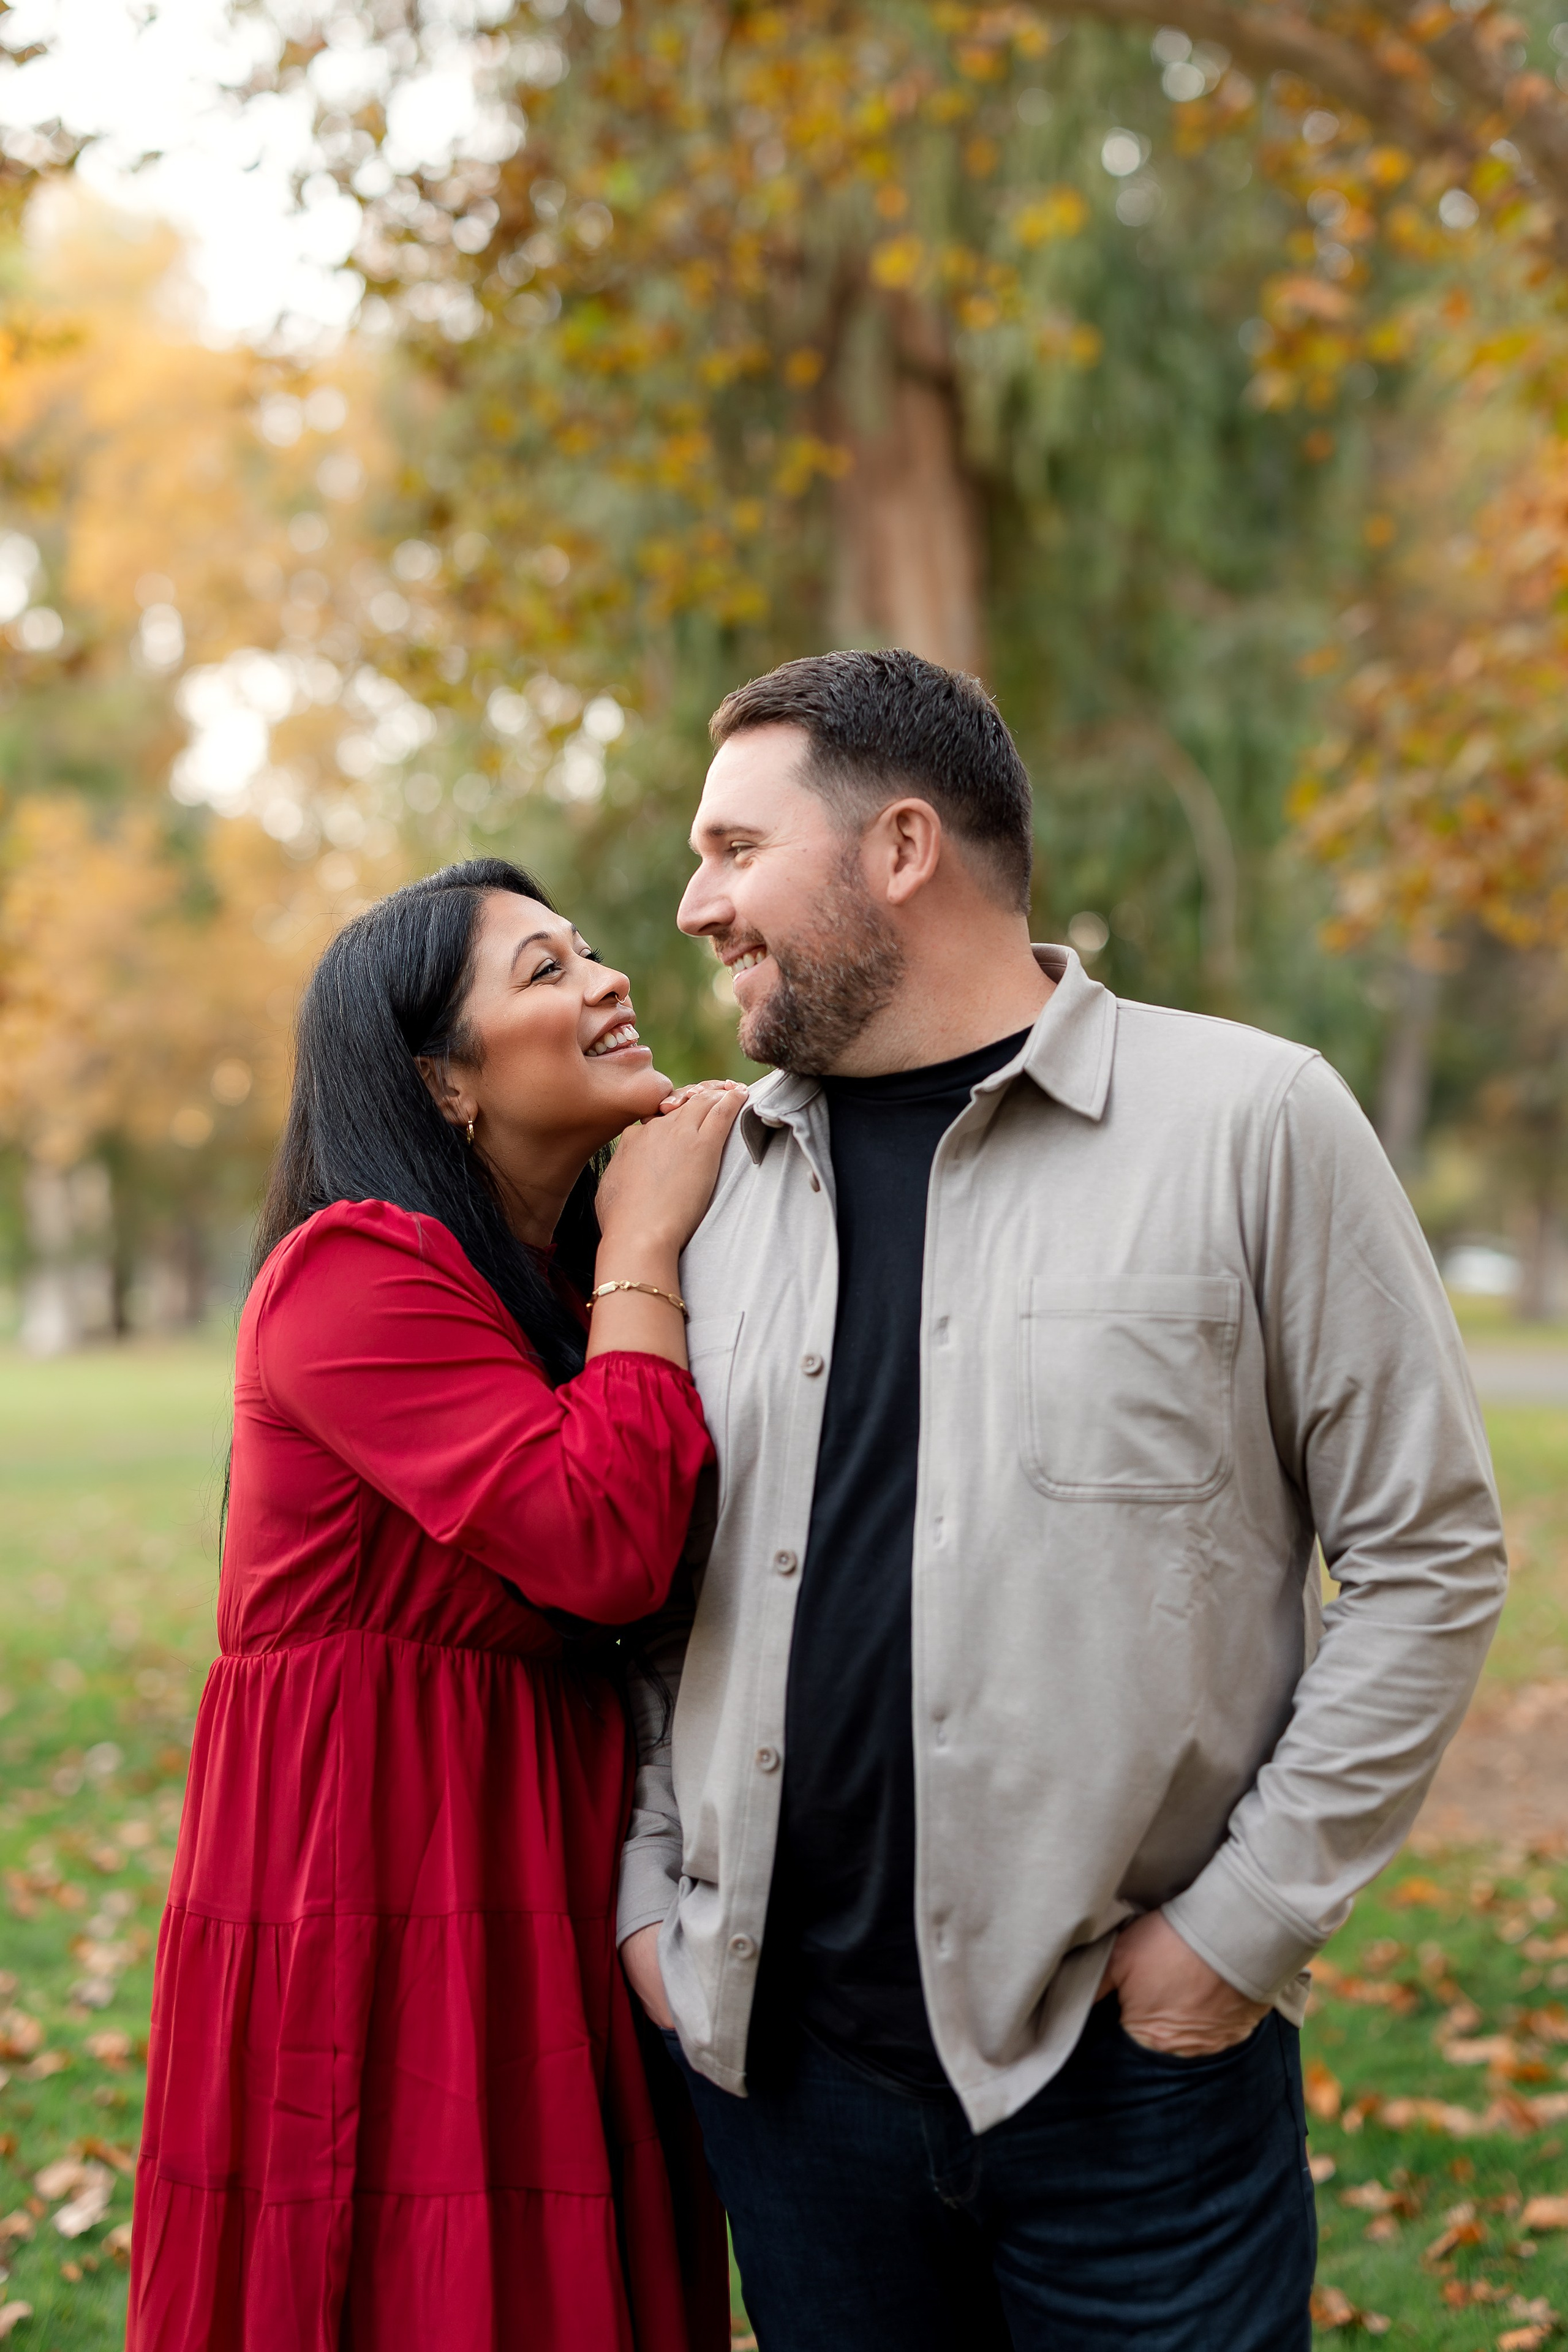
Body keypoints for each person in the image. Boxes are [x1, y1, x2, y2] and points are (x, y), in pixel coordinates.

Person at [617, 650, 1509, 2351]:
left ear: (900, 848)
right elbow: (643, 1585)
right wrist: (653, 1899)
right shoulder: (697, 1187)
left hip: (1136, 2091)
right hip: (790, 2095)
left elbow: (1426, 1553)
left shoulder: (1253, 1122)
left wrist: (1240, 1931)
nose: (694, 904)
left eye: (735, 850)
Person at [129, 858, 740, 2352]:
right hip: (374, 1861)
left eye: (587, 949)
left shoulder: (544, 1287)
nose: (607, 978)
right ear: (440, 1082)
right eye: (544, 970)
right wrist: (645, 1246)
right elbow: (604, 1541)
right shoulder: (351, 1270)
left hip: (536, 1836)